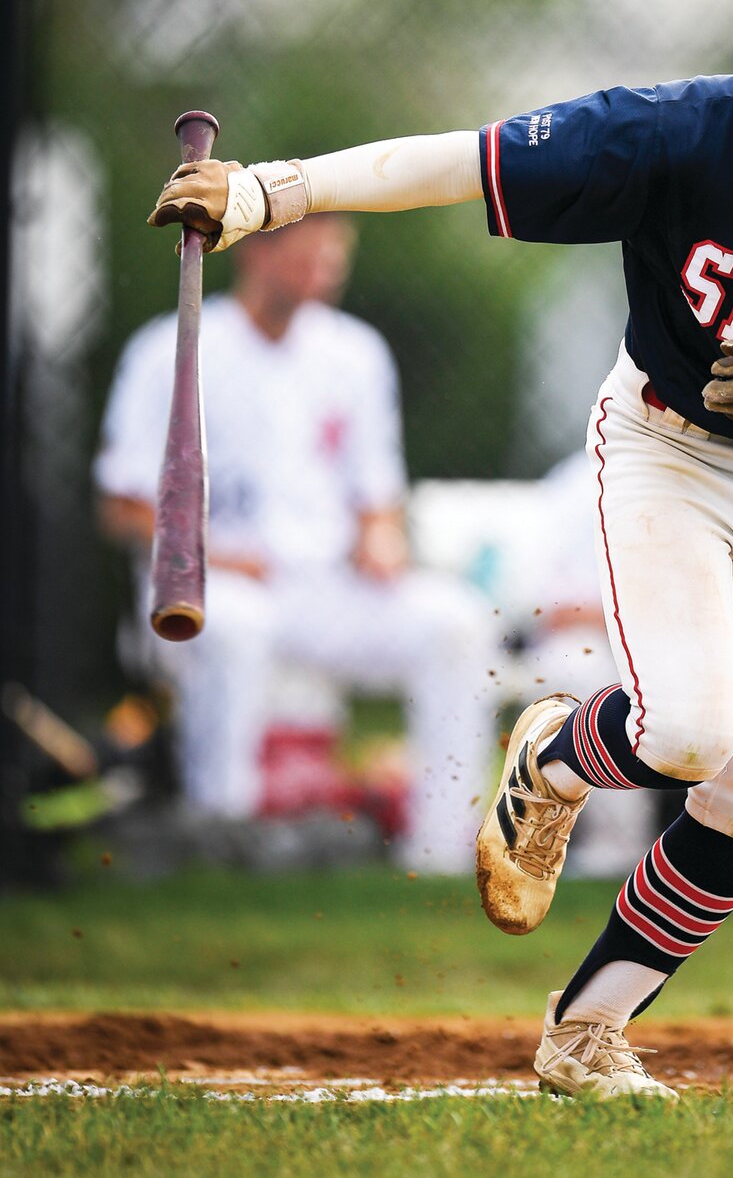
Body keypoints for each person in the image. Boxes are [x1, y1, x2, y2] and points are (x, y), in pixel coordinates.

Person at [147, 0, 733, 1097]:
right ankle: (554, 755)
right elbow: (470, 159)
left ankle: (587, 1033)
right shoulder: (688, 133)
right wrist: (272, 193)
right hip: (667, 450)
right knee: (689, 729)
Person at [95, 212, 498, 874]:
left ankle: (441, 855)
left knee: (454, 624)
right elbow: (123, 505)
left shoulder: (355, 353)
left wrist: (381, 540)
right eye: (312, 249)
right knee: (239, 628)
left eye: (337, 250)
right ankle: (222, 839)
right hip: (209, 582)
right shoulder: (175, 346)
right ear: (256, 249)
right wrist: (216, 553)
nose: (329, 265)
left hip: (323, 586)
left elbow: (377, 499)